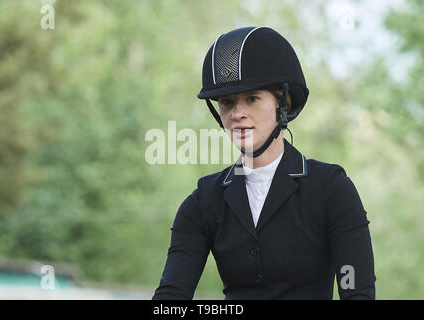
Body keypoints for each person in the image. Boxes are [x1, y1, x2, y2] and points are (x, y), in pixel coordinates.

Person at [152, 26, 376, 300]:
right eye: (226, 102)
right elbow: (170, 297)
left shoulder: (332, 190)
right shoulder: (202, 203)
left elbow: (356, 292)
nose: (237, 114)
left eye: (252, 98)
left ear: (282, 104)